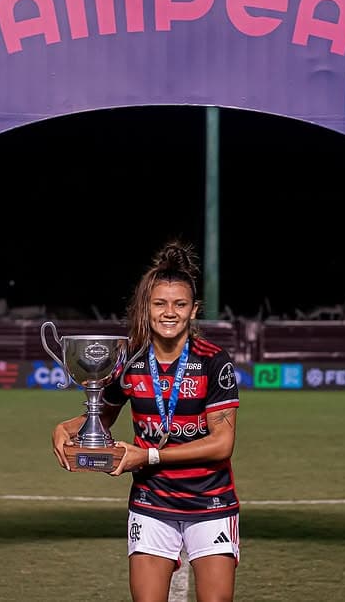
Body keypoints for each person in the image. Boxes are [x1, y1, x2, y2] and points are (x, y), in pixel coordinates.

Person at [52, 240, 241, 602]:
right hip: (151, 504)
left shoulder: (215, 361)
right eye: (160, 304)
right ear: (147, 308)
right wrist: (64, 428)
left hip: (211, 505)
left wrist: (149, 455)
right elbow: (99, 419)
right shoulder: (129, 362)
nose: (169, 312)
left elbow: (222, 444)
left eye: (180, 304)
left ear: (193, 310)